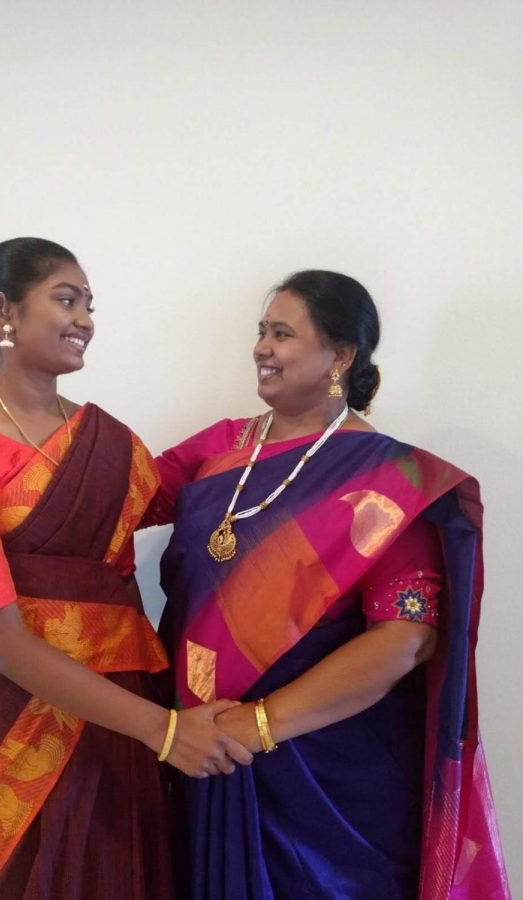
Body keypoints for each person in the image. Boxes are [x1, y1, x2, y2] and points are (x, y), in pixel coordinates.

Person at [146, 271, 510, 899]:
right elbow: (115, 502)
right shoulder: (222, 450)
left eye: (281, 334)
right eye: (261, 332)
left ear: (340, 355)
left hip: (325, 776)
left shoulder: (389, 478)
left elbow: (405, 640)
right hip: (205, 751)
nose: (261, 347)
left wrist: (258, 726)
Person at [0, 237, 252, 900]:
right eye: (66, 300)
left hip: (123, 719)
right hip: (18, 721)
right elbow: (4, 643)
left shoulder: (108, 440)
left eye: (90, 304)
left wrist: (264, 439)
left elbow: (179, 492)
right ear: (2, 311)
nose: (86, 319)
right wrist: (165, 731)